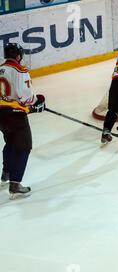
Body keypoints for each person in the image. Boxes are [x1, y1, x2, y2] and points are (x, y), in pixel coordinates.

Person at [0, 43, 46, 199]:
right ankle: (15, 183)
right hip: (15, 116)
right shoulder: (20, 70)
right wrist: (37, 101)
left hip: (1, 116)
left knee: (10, 143)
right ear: (18, 56)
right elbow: (26, 98)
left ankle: (6, 173)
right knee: (24, 147)